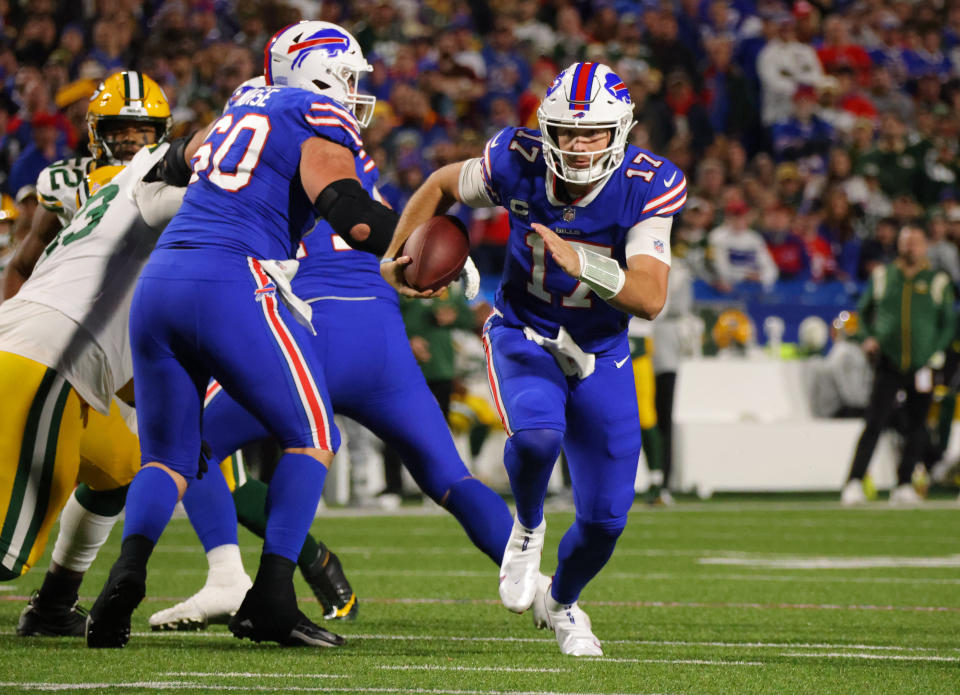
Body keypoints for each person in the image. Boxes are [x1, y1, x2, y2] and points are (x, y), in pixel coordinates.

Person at [85, 20, 417, 650]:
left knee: (167, 457)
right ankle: (270, 600)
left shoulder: (242, 102)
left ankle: (121, 583)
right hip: (233, 280)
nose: (350, 90)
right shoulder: (318, 112)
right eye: (346, 75)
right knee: (313, 435)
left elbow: (174, 162)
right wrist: (419, 241)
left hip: (162, 282)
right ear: (316, 70)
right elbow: (346, 208)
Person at [149, 74, 512, 632]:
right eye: (345, 79)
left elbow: (204, 187)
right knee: (451, 477)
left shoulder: (268, 142)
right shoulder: (348, 160)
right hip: (383, 343)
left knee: (187, 450)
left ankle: (238, 574)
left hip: (306, 329)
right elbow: (383, 232)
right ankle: (549, 594)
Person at [381, 62, 681, 656]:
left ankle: (564, 605)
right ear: (546, 128)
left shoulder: (648, 182)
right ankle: (526, 528)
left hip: (602, 351)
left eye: (591, 132)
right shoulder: (513, 159)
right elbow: (442, 183)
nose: (576, 144)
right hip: (525, 331)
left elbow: (649, 297)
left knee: (604, 523)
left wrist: (585, 263)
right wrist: (396, 254)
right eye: (566, 131)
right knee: (538, 437)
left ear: (619, 132)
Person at [6, 72, 173, 638]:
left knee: (121, 465)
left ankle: (54, 605)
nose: (130, 140)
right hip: (46, 347)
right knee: (11, 539)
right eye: (120, 129)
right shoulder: (146, 187)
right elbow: (27, 265)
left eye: (141, 130)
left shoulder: (130, 184)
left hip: (88, 352)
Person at [841, 223, 956, 505]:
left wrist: (936, 352)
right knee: (875, 422)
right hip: (889, 361)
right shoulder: (883, 276)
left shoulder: (936, 281)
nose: (910, 247)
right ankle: (854, 481)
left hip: (922, 364)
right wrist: (867, 338)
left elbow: (948, 323)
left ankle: (904, 483)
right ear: (899, 245)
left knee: (918, 425)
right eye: (906, 241)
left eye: (916, 241)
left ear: (925, 246)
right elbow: (864, 313)